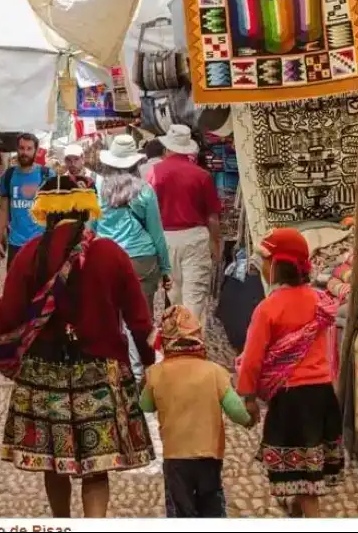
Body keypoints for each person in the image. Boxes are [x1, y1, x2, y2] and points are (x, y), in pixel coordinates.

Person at [0, 175, 155, 518]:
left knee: (55, 462)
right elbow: (139, 318)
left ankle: (62, 522)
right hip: (100, 370)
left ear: (46, 212)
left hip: (44, 373)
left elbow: (6, 318)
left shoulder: (30, 254)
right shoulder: (111, 253)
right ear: (85, 210)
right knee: (96, 467)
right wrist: (149, 362)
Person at [235, 228, 343, 518]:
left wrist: (247, 397)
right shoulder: (319, 302)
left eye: (266, 260)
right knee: (309, 464)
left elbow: (253, 359)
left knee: (305, 478)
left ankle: (312, 516)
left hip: (291, 400)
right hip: (322, 395)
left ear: (278, 265)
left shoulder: (268, 308)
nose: (263, 265)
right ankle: (297, 506)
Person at [140, 305, 254, 517]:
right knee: (211, 503)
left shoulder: (156, 373)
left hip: (175, 457)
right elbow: (236, 411)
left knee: (181, 509)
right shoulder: (215, 372)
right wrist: (249, 420)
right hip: (209, 455)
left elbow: (145, 405)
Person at [93, 134, 172, 384]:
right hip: (142, 260)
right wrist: (166, 268)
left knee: (110, 317)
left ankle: (118, 371)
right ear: (135, 164)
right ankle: (142, 375)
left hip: (107, 259)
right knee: (140, 319)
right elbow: (156, 233)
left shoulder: (98, 189)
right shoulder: (145, 190)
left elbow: (91, 227)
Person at [146, 124, 222, 325]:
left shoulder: (154, 173)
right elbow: (212, 217)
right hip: (195, 238)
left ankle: (179, 344)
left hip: (165, 239)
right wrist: (216, 243)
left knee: (175, 296)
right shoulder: (202, 175)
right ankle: (194, 345)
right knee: (194, 298)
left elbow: (146, 212)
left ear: (167, 148)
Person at [0, 133, 54, 268]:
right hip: (16, 245)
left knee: (40, 287)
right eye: (22, 148)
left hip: (40, 244)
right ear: (17, 149)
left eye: (29, 149)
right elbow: (3, 210)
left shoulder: (47, 175)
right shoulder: (8, 176)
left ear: (36, 150)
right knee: (15, 286)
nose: (25, 152)